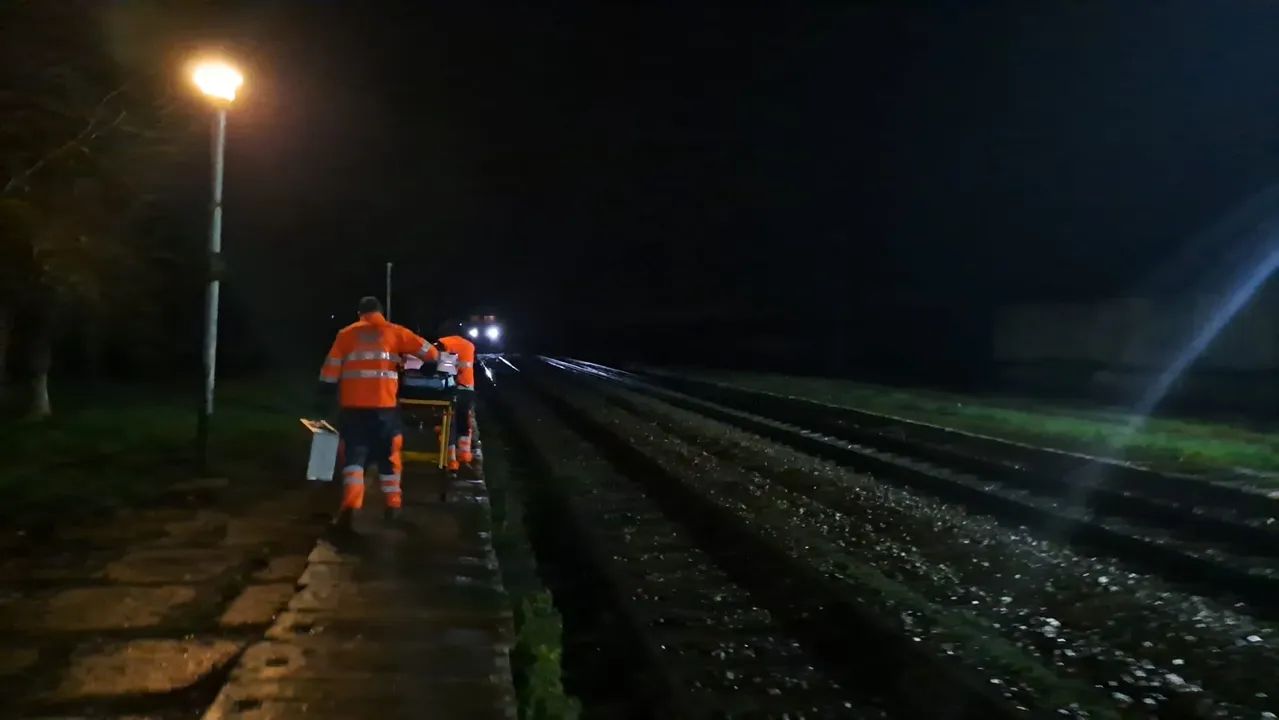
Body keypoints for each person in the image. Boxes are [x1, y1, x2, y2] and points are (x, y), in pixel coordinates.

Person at [316, 296, 438, 528]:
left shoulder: (346, 334)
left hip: (353, 408)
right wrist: (425, 363)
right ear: (381, 312)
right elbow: (431, 353)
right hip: (385, 408)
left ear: (360, 314)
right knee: (389, 455)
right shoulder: (396, 332)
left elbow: (330, 369)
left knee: (354, 457)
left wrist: (325, 391)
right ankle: (393, 504)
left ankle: (351, 506)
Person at [435, 319, 477, 472]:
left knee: (449, 421)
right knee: (464, 419)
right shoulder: (470, 345)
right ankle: (464, 454)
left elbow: (442, 368)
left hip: (451, 388)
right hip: (468, 388)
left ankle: (451, 459)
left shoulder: (443, 342)